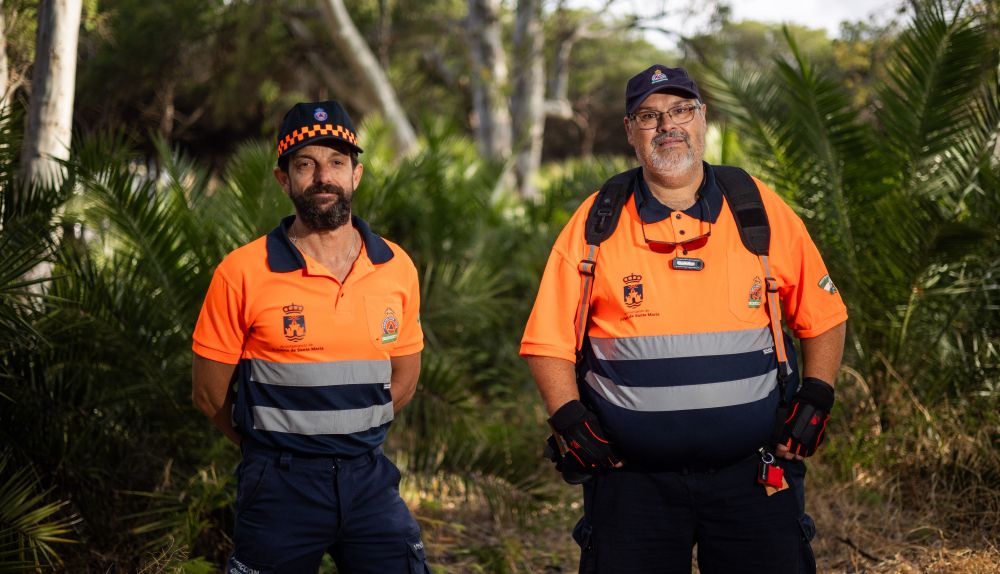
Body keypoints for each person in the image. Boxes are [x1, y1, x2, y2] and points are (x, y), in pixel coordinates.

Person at [520, 65, 848, 573]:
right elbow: (548, 340)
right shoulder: (597, 220)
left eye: (680, 110)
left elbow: (823, 313)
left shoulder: (756, 208)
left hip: (754, 473)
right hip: (631, 483)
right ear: (630, 131)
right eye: (649, 116)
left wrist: (818, 396)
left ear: (702, 118)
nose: (667, 125)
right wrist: (567, 417)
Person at [191, 100, 431, 573]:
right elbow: (208, 394)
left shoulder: (396, 266)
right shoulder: (242, 271)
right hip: (279, 487)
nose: (324, 177)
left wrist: (352, 433)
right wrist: (274, 447)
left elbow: (404, 379)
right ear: (284, 180)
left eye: (337, 162)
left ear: (356, 175)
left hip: (369, 480)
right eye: (306, 164)